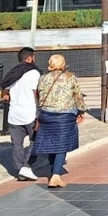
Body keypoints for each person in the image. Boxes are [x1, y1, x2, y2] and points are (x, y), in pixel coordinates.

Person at [31, 54, 86, 189]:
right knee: (62, 144)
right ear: (63, 64)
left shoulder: (43, 78)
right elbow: (77, 96)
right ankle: (55, 175)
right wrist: (81, 111)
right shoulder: (70, 78)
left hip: (46, 114)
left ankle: (53, 169)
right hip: (64, 116)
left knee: (51, 142)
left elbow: (38, 95)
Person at [0, 46, 41, 181]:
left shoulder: (12, 74)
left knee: (17, 145)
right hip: (30, 113)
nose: (35, 59)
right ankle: (25, 167)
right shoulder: (33, 73)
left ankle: (20, 170)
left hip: (14, 115)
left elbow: (4, 96)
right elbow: (37, 94)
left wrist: (15, 97)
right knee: (36, 141)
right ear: (29, 58)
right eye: (34, 57)